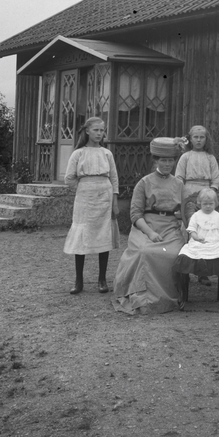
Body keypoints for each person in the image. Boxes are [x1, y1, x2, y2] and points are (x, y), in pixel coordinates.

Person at [112, 138, 185, 316]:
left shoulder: (179, 184)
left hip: (170, 227)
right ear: (156, 161)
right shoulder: (144, 182)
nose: (167, 164)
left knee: (173, 253)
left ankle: (169, 297)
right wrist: (150, 233)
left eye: (170, 160)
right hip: (146, 226)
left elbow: (185, 211)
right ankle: (143, 297)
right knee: (145, 251)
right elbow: (135, 214)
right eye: (163, 160)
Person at [62, 117, 120, 295]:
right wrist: (84, 186)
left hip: (105, 196)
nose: (99, 133)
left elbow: (114, 178)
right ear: (87, 131)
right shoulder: (78, 153)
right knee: (82, 236)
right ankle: (79, 280)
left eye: (102, 130)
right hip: (85, 198)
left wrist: (114, 201)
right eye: (96, 130)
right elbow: (69, 178)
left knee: (104, 234)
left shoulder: (106, 153)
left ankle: (102, 279)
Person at [174, 188, 219, 309]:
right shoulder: (196, 216)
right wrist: (196, 237)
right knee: (188, 253)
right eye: (205, 204)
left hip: (216, 242)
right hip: (200, 242)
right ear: (199, 204)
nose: (208, 206)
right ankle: (183, 296)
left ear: (215, 203)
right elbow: (192, 230)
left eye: (211, 204)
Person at [175, 125, 219, 286]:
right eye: (195, 137)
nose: (199, 140)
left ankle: (203, 272)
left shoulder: (210, 158)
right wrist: (184, 197)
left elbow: (215, 179)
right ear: (190, 139)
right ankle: (186, 270)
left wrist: (210, 194)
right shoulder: (185, 157)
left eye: (202, 137)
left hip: (206, 193)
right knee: (190, 229)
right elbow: (179, 177)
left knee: (205, 230)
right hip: (189, 192)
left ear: (206, 140)